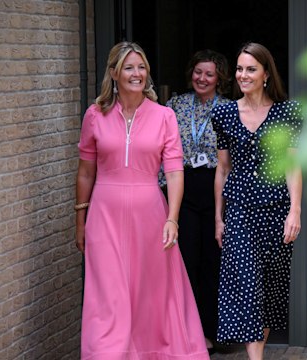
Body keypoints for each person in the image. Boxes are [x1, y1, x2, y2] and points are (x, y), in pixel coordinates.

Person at [74, 41, 209, 360]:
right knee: (108, 297)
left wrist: (172, 218)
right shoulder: (94, 115)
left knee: (150, 295)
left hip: (152, 216)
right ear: (114, 73)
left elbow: (175, 173)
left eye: (141, 67)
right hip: (104, 216)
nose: (137, 73)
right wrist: (80, 218)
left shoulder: (164, 116)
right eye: (129, 67)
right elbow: (84, 173)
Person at [212, 42, 303, 360]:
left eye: (251, 69)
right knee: (248, 287)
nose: (243, 75)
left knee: (268, 293)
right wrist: (218, 218)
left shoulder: (286, 113)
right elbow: (223, 169)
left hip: (276, 212)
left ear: (266, 74)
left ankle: (257, 354)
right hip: (238, 213)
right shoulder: (223, 112)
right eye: (239, 69)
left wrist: (295, 210)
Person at [159, 49, 232, 353]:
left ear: (220, 79)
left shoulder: (229, 109)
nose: (202, 78)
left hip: (215, 187)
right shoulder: (174, 105)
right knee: (186, 261)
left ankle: (214, 332)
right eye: (198, 72)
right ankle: (187, 334)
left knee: (213, 263)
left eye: (209, 74)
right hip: (183, 188)